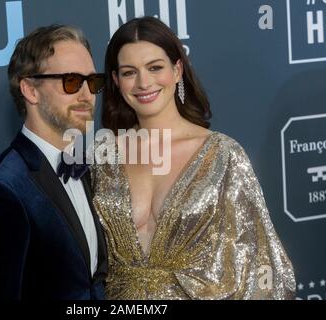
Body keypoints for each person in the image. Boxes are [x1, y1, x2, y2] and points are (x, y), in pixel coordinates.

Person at [91, 17, 295, 299]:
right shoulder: (102, 158)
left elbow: (260, 264)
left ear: (177, 70)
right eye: (129, 72)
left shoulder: (223, 155)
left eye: (155, 67)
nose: (143, 82)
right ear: (116, 80)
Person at [0, 25, 107, 299]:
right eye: (72, 81)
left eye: (93, 82)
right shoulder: (0, 190)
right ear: (30, 89)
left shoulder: (86, 169)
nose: (87, 95)